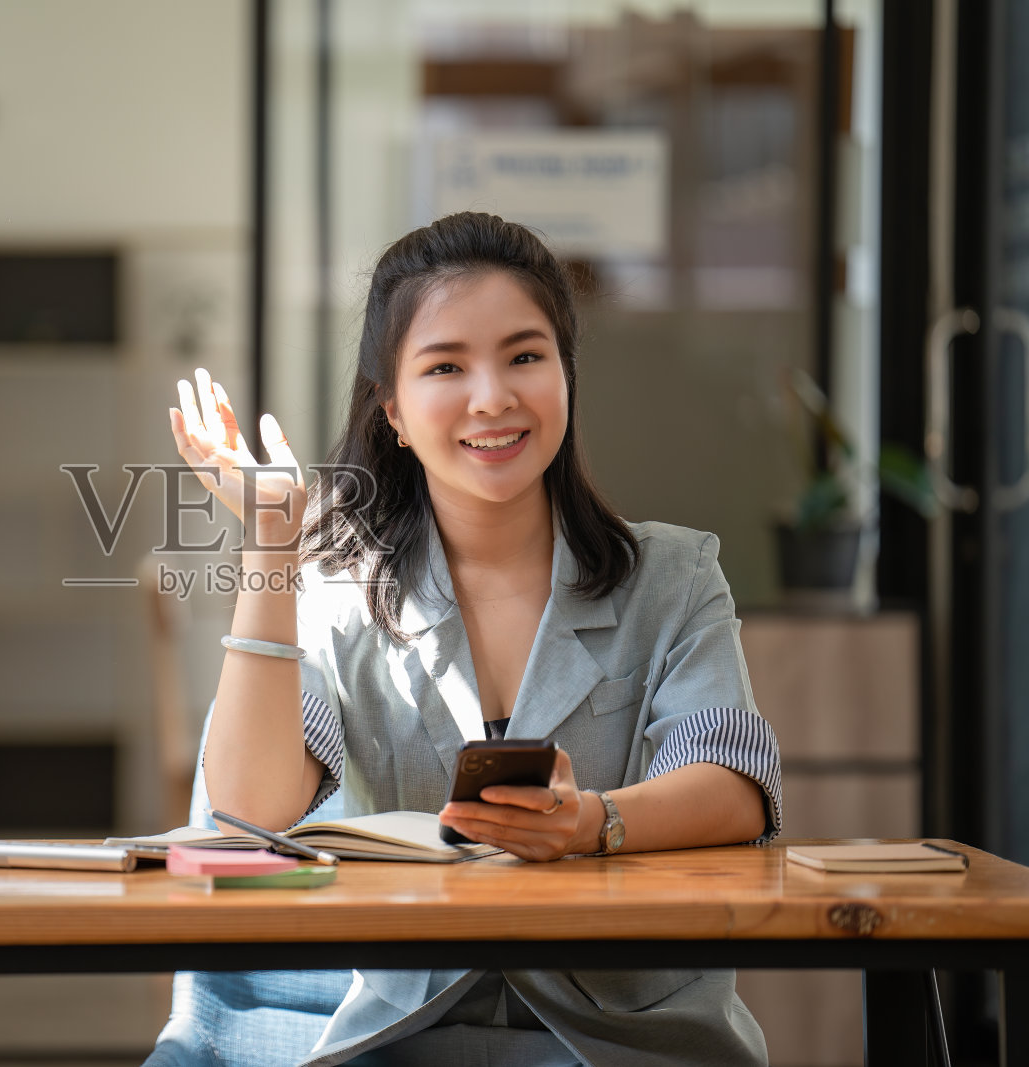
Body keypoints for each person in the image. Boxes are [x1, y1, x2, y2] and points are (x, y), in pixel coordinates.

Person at [148, 212, 782, 1067]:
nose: (493, 397)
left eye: (525, 355)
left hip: (619, 1039)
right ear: (395, 411)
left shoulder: (672, 576)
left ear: (565, 375)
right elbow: (252, 812)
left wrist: (592, 821)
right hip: (396, 1036)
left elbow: (735, 784)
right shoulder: (334, 587)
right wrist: (273, 538)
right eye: (446, 366)